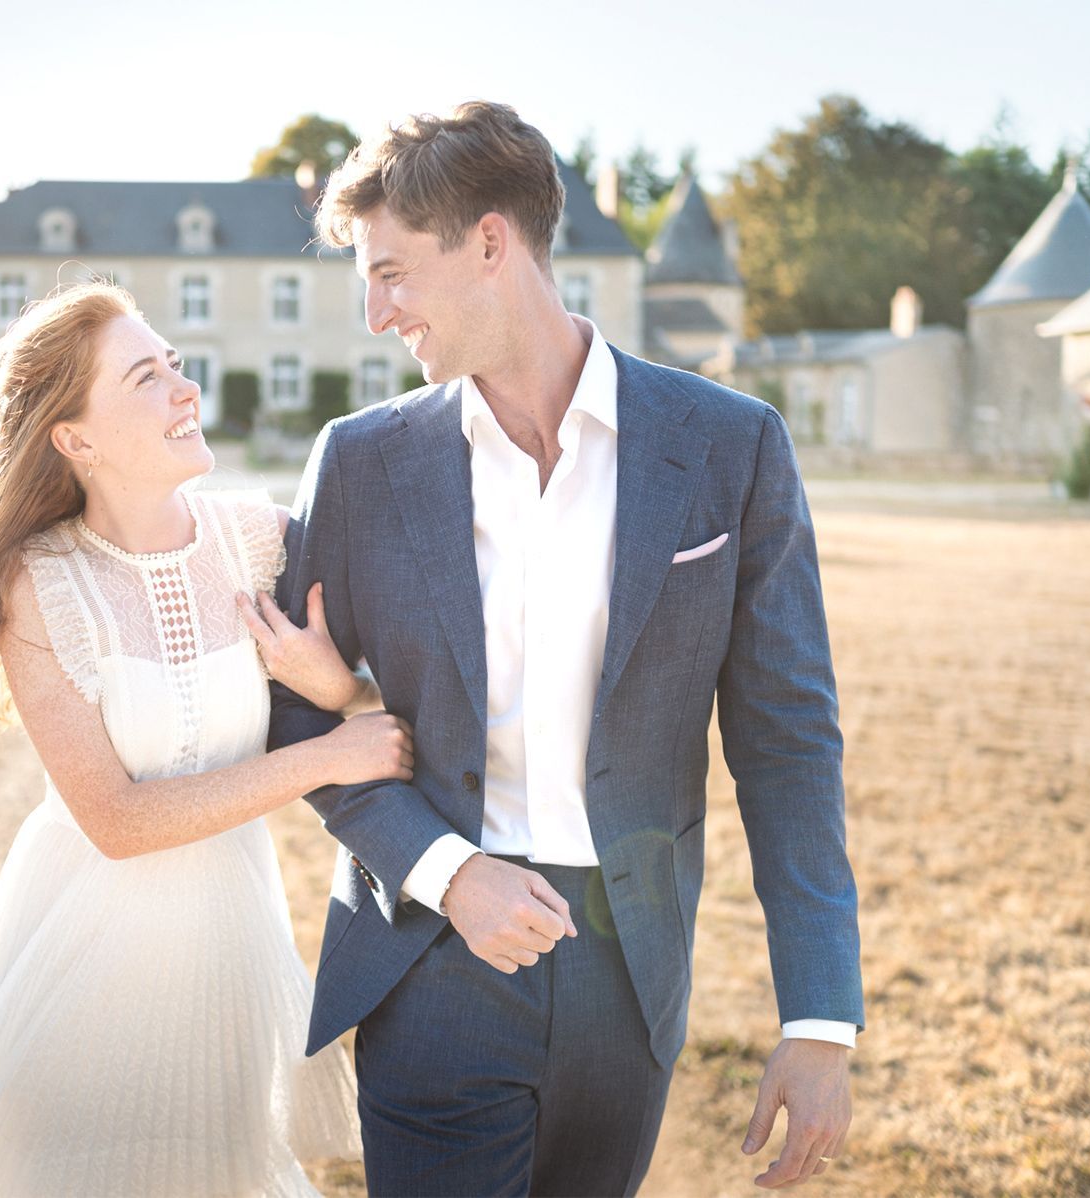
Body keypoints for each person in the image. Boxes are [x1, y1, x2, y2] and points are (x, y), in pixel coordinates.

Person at [260, 101, 865, 1196]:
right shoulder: (360, 461)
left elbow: (788, 748)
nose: (375, 312)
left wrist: (819, 1015)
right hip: (430, 952)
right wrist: (451, 875)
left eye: (392, 272)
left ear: (491, 243)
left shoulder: (731, 444)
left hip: (631, 976)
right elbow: (299, 713)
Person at [0, 280, 409, 1196]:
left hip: (227, 942)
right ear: (75, 440)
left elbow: (403, 686)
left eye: (177, 367)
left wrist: (341, 691)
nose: (185, 391)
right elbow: (115, 822)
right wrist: (320, 757)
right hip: (86, 955)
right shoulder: (40, 586)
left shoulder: (262, 541)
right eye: (147, 377)